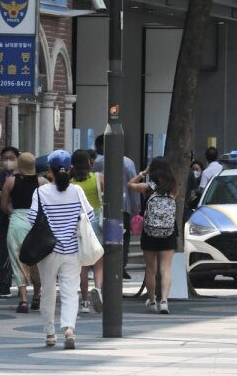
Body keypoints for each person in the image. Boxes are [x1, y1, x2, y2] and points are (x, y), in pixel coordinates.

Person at [30, 150, 93, 349]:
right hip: (72, 250)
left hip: (47, 250)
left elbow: (32, 218)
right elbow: (89, 216)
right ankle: (69, 329)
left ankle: (49, 332)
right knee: (69, 292)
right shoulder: (77, 191)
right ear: (70, 168)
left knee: (47, 291)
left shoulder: (41, 192)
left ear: (50, 170)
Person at [129, 157, 178, 314]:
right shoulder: (174, 188)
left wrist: (144, 172)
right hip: (168, 232)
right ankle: (164, 300)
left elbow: (130, 185)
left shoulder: (148, 187)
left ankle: (152, 301)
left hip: (149, 232)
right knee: (166, 268)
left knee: (151, 269)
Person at [1, 152, 46, 313]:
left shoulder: (10, 182)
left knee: (17, 260)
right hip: (37, 224)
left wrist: (12, 213)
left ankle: (23, 300)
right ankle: (36, 296)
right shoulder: (42, 182)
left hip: (17, 221)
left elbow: (4, 205)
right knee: (38, 261)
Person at [94, 134, 140, 279]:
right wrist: (136, 208)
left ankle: (104, 265)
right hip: (123, 205)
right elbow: (133, 187)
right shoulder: (128, 163)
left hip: (103, 205)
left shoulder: (98, 162)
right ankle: (121, 266)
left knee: (103, 236)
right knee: (123, 237)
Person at [71, 149, 104, 313]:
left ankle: (84, 302)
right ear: (89, 162)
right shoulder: (98, 178)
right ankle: (98, 288)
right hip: (95, 221)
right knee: (98, 260)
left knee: (82, 264)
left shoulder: (70, 182)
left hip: (77, 223)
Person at [0, 146, 20, 298]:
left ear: (17, 159)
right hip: (2, 220)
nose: (8, 161)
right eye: (5, 158)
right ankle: (4, 286)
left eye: (11, 158)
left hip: (20, 219)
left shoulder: (22, 176)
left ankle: (23, 287)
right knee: (4, 255)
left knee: (21, 254)